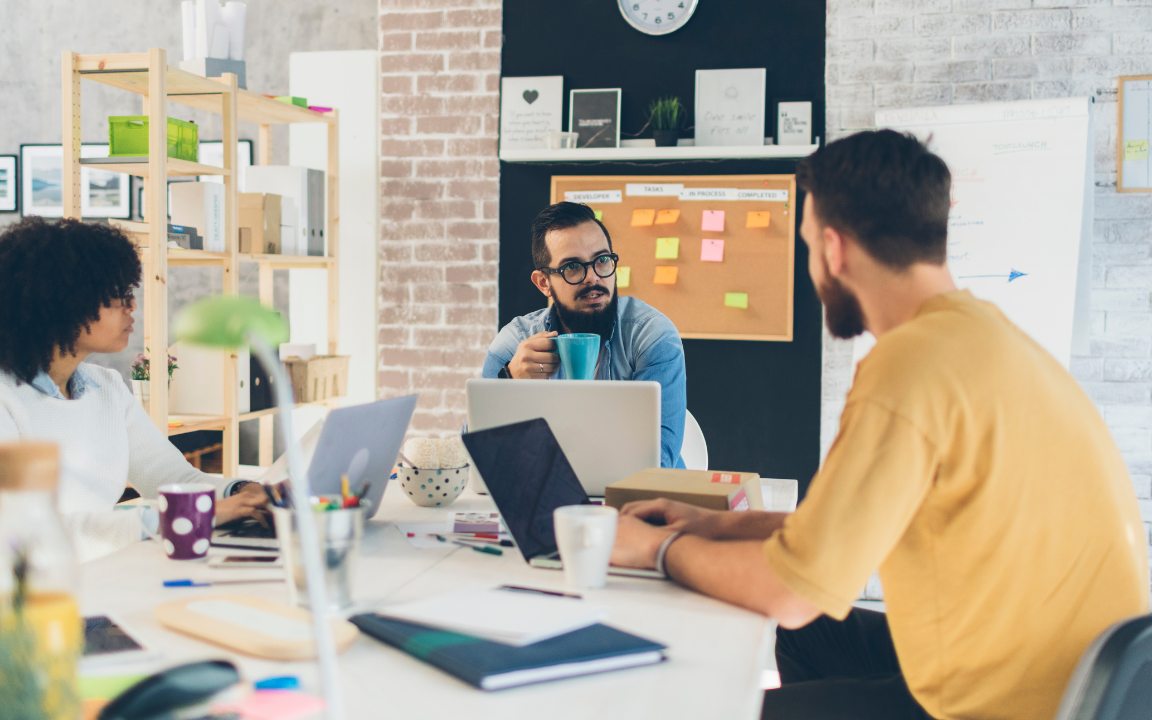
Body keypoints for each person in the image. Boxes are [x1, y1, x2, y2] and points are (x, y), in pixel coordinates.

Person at [609, 130, 1150, 720]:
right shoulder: (987, 339)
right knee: (803, 638)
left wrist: (657, 549)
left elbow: (790, 594)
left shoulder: (910, 366)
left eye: (809, 247)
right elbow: (838, 532)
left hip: (1007, 705)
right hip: (1065, 679)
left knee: (726, 705)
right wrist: (711, 525)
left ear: (835, 251)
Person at [0, 217, 270, 562]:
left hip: (101, 583)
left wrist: (244, 492)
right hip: (20, 608)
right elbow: (29, 531)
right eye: (119, 296)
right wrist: (199, 515)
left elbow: (172, 477)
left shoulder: (104, 387)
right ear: (61, 304)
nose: (132, 306)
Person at [482, 201, 687, 468]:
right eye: (573, 267)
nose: (593, 278)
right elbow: (477, 451)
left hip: (637, 501)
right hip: (549, 499)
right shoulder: (516, 342)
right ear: (544, 282)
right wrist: (509, 381)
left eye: (602, 260)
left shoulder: (651, 335)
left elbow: (659, 458)